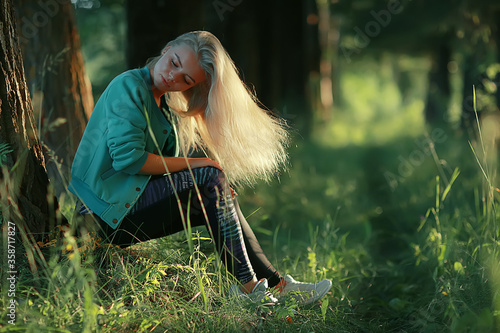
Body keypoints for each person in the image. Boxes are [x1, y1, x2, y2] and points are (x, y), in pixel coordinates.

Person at [69, 30, 332, 305]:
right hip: (99, 216)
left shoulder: (162, 104)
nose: (174, 77)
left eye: (186, 79)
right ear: (167, 48)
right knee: (210, 177)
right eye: (174, 63)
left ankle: (276, 286)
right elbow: (129, 160)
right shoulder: (129, 86)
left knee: (219, 196)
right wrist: (202, 165)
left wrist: (213, 188)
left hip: (121, 209)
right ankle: (250, 289)